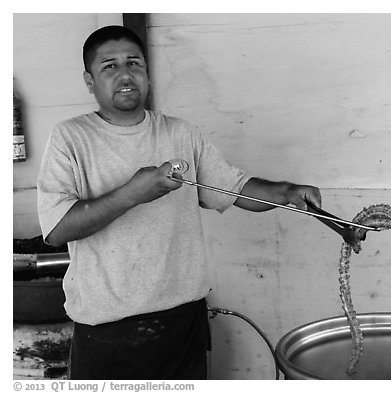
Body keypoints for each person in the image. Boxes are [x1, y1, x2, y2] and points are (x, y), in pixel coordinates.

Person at [37, 25, 321, 380]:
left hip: (183, 321)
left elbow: (234, 188)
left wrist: (287, 193)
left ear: (147, 73)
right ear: (89, 79)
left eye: (134, 63)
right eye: (109, 66)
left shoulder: (178, 132)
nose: (125, 74)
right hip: (109, 331)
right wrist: (133, 193)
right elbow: (57, 229)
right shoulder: (70, 138)